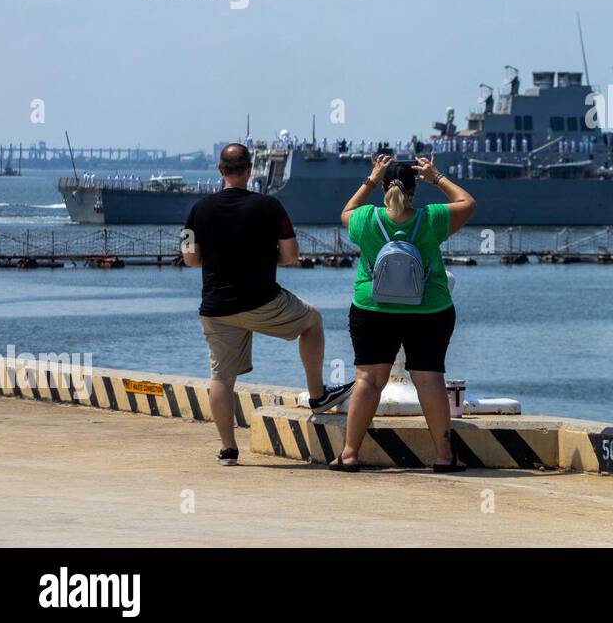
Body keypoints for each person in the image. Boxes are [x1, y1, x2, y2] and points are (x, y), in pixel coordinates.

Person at [182, 143, 353, 465]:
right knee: (313, 321)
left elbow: (190, 258)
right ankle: (318, 394)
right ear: (250, 170)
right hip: (262, 301)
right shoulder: (270, 206)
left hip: (217, 308)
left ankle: (228, 450)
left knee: (221, 378)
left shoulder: (198, 209)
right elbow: (291, 256)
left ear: (220, 171)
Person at [330, 153, 476, 472]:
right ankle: (443, 455)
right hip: (429, 308)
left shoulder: (365, 219)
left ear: (384, 188)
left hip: (372, 307)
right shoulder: (433, 218)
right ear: (414, 190)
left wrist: (371, 178)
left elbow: (346, 211)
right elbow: (467, 202)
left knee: (368, 380)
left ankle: (350, 453)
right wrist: (436, 176)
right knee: (429, 379)